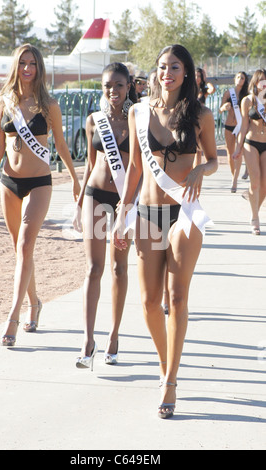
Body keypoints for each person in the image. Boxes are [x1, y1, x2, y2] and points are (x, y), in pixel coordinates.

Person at [113, 44, 218, 419]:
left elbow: (214, 160)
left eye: (175, 66)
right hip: (148, 212)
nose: (167, 72)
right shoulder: (139, 112)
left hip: (185, 213)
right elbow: (136, 171)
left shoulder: (200, 114)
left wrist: (198, 171)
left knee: (176, 297)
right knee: (147, 302)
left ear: (186, 72)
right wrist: (121, 217)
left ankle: (171, 381)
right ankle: (164, 363)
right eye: (162, 67)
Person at [0, 44, 80, 346]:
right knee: (20, 251)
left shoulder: (49, 104)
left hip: (39, 182)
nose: (27, 68)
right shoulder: (5, 101)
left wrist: (76, 179)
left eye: (33, 64)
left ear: (39, 68)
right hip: (8, 182)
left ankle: (14, 316)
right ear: (16, 66)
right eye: (23, 63)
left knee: (26, 245)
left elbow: (62, 145)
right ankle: (35, 302)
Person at [72, 62, 137, 370]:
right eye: (108, 86)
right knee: (93, 269)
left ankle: (113, 336)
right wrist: (77, 203)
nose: (113, 91)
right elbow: (89, 162)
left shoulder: (138, 120)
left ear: (129, 85)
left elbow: (139, 169)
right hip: (95, 197)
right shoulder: (94, 121)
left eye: (119, 85)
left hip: (124, 201)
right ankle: (88, 340)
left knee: (119, 269)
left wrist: (129, 210)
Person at [232, 69, 266, 235]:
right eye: (261, 80)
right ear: (255, 82)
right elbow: (244, 126)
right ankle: (255, 217)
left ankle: (254, 205)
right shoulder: (248, 101)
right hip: (250, 143)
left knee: (264, 184)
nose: (263, 83)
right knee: (255, 181)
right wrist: (238, 148)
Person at [219, 71, 249, 192]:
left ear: (245, 80)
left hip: (241, 126)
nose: (239, 79)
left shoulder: (246, 94)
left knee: (238, 153)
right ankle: (233, 175)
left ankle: (234, 180)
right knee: (230, 153)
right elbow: (220, 109)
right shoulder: (228, 93)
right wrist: (224, 107)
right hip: (229, 126)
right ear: (234, 79)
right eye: (238, 77)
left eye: (242, 78)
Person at [194, 67, 216, 167]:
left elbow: (212, 89)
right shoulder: (189, 89)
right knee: (193, 148)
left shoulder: (204, 91)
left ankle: (196, 170)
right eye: (195, 75)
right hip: (191, 117)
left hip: (201, 118)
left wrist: (206, 81)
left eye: (199, 76)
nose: (197, 78)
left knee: (199, 150)